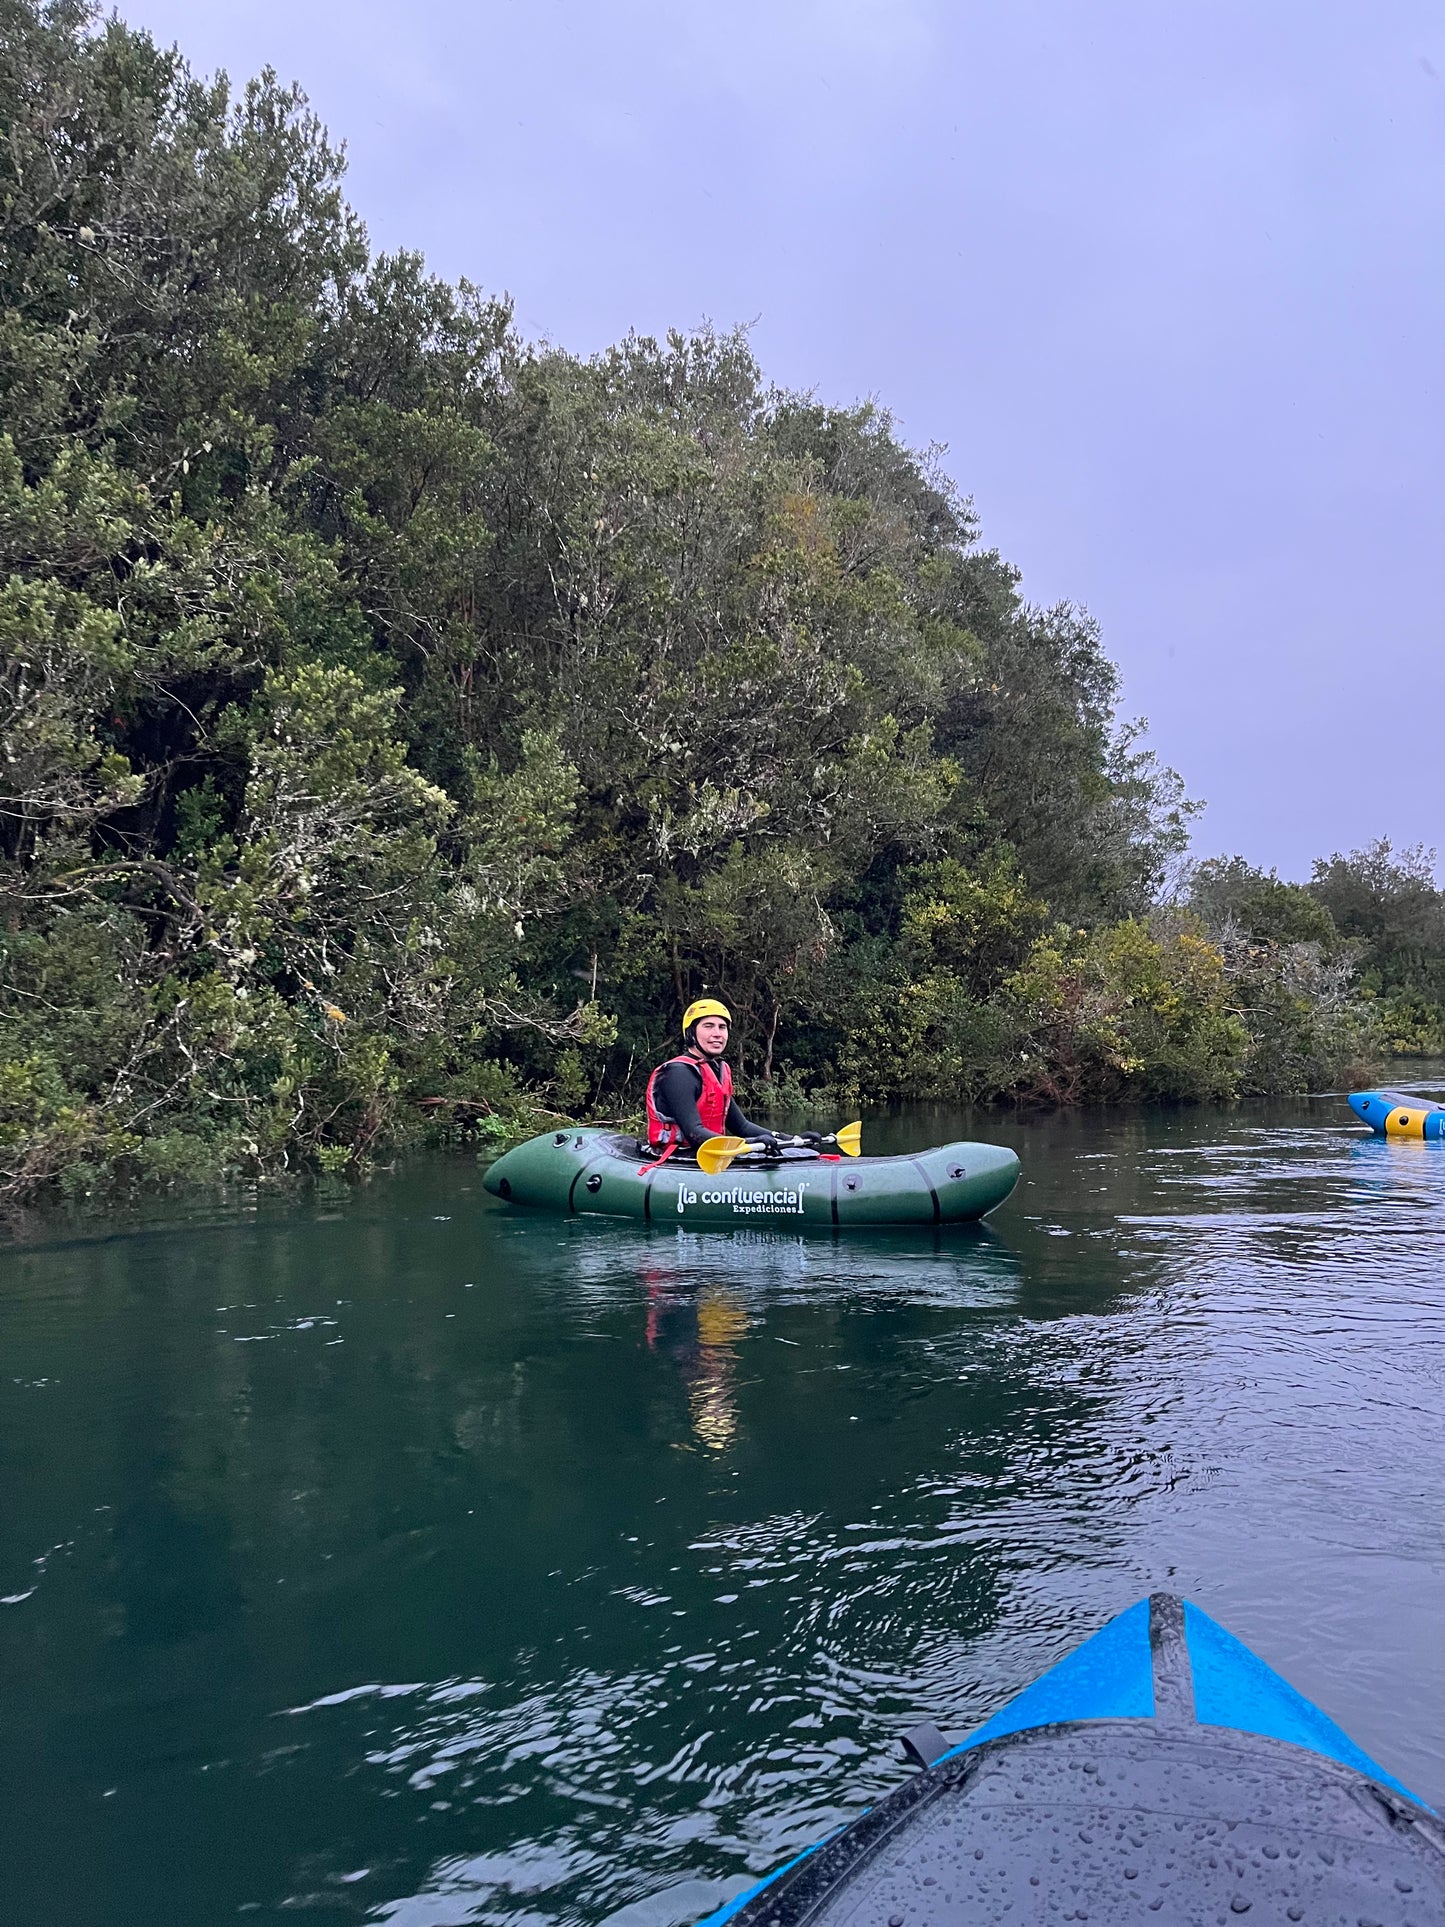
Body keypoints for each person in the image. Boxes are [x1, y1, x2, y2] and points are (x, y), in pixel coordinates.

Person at [643, 999, 780, 1161]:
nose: (717, 1033)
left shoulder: (716, 1071)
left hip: (710, 1156)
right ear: (691, 1033)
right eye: (708, 1026)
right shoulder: (678, 1073)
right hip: (677, 1158)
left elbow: (742, 1126)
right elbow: (694, 1133)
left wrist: (788, 1138)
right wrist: (749, 1143)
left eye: (722, 1027)